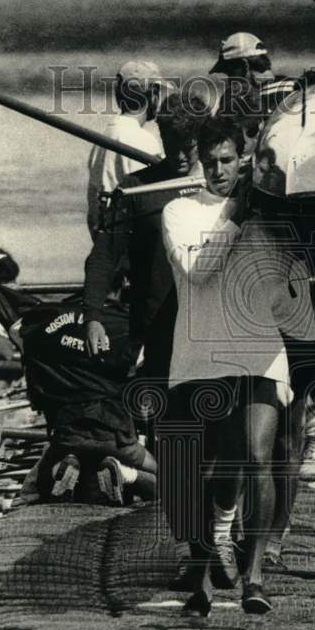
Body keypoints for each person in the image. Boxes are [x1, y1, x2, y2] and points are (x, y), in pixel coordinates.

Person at [161, 117, 294, 616]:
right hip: (200, 354)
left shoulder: (267, 210)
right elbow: (198, 270)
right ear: (199, 160)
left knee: (261, 456)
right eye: (209, 161)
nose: (217, 170)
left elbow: (286, 285)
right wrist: (238, 212)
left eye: (226, 160)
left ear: (243, 159)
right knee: (203, 469)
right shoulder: (177, 211)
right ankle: (202, 567)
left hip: (260, 348)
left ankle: (255, 577)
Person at [84, 91, 207, 580]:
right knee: (174, 442)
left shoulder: (226, 187)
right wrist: (93, 313)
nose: (180, 150)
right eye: (172, 138)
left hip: (216, 334)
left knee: (221, 441)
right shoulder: (136, 191)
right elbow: (103, 258)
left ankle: (221, 534)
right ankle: (186, 548)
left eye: (190, 140)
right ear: (160, 134)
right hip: (159, 337)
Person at [12, 275, 157, 507]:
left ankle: (64, 466)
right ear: (121, 288)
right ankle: (124, 472)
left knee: (31, 491)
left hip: (67, 432)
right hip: (116, 435)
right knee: (168, 481)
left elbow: (17, 330)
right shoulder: (129, 327)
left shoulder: (53, 323)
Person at [86, 60, 166, 238]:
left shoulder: (102, 136)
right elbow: (151, 206)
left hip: (105, 237)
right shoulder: (144, 141)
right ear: (153, 94)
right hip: (129, 240)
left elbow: (92, 208)